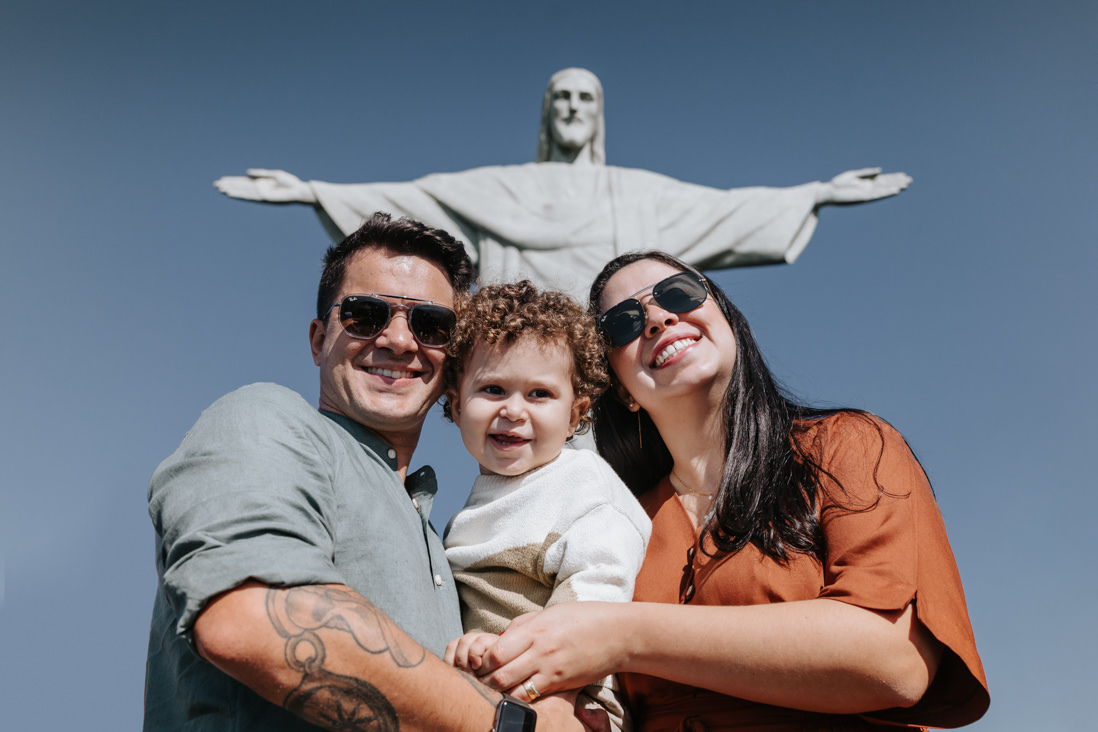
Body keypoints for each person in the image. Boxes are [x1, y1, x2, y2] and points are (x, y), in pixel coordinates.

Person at [451, 251, 990, 731]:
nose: (658, 318)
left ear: (727, 318)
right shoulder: (615, 518)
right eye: (624, 323)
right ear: (620, 388)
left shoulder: (845, 446)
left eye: (679, 293)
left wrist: (622, 635)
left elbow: (895, 661)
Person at [144, 212, 585, 731]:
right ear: (317, 339)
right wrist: (512, 725)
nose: (399, 340)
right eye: (365, 315)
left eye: (431, 325)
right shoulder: (268, 419)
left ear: (454, 359)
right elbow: (247, 619)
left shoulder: (442, 541)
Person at [213, 67, 912, 302]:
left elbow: (723, 212)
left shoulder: (634, 193)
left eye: (585, 99)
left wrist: (816, 194)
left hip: (610, 354)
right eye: (562, 99)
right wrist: (311, 191)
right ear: (548, 114)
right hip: (524, 349)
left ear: (598, 115)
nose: (573, 108)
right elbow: (419, 201)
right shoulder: (501, 188)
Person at [441, 281, 652, 730]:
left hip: (573, 703)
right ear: (456, 405)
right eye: (493, 389)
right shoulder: (465, 514)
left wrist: (549, 686)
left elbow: (599, 591)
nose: (514, 410)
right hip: (496, 697)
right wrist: (474, 649)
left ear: (574, 415)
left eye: (539, 394)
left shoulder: (582, 484)